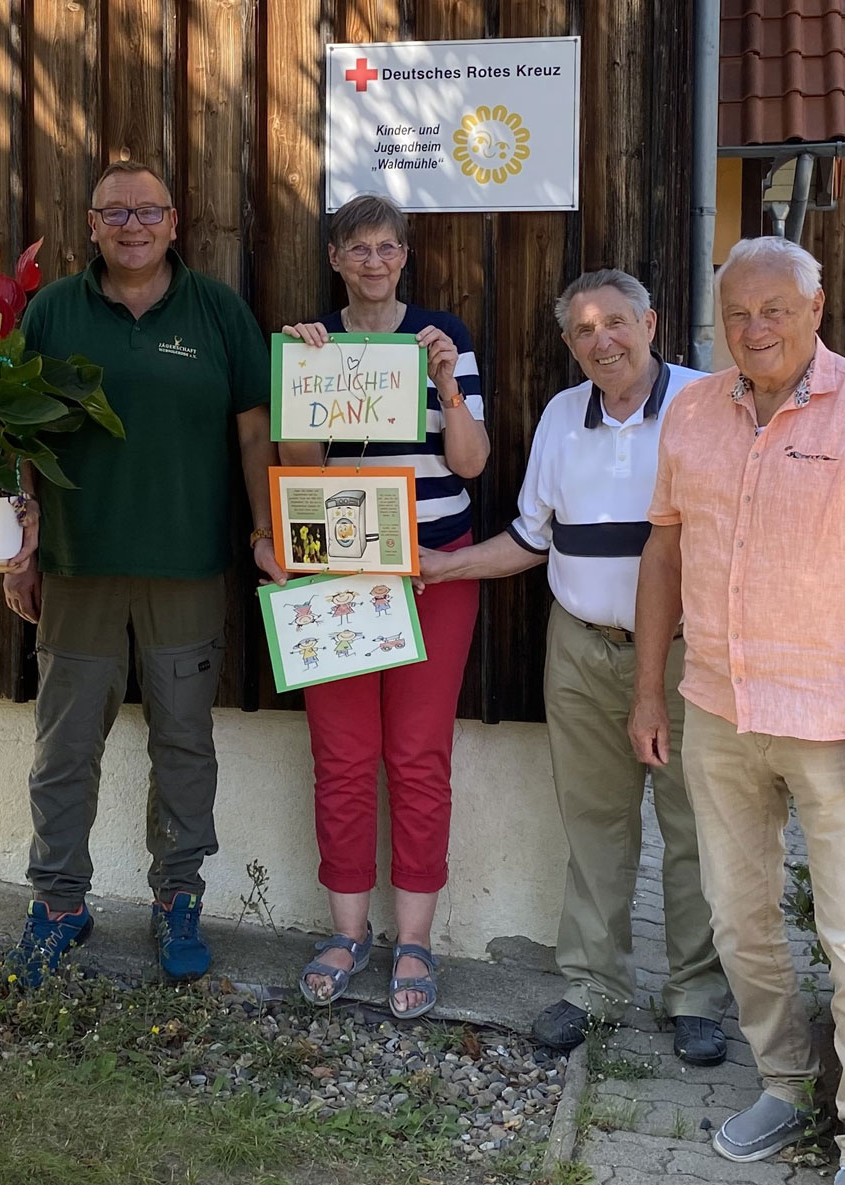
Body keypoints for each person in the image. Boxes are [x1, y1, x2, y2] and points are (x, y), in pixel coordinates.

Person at [630, 236, 845, 1185]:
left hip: (841, 723)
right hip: (720, 709)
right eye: (737, 313)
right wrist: (649, 687)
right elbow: (662, 556)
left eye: (774, 309)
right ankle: (786, 1081)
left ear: (816, 309)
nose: (755, 327)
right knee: (739, 919)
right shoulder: (692, 411)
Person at [421, 269, 731, 1063]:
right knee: (595, 824)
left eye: (616, 323)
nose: (604, 341)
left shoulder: (709, 404)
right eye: (585, 330)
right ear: (569, 344)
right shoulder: (564, 414)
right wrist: (440, 565)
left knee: (696, 826)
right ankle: (595, 985)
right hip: (581, 646)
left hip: (690, 652)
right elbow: (532, 536)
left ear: (651, 323)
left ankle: (696, 992)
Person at [2, 160, 283, 984]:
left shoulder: (217, 310)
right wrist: (23, 538)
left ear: (173, 221)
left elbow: (255, 435)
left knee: (185, 745)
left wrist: (267, 527)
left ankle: (179, 897)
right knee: (63, 748)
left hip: (188, 567)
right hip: (78, 568)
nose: (131, 224)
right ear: (91, 225)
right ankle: (58, 901)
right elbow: (14, 433)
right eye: (114, 211)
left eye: (147, 210)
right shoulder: (52, 311)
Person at [280, 193, 489, 1019]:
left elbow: (471, 464)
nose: (373, 260)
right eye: (358, 247)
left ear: (405, 256)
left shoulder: (444, 338)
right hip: (339, 571)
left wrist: (447, 384)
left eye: (387, 247)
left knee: (416, 756)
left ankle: (415, 940)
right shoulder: (311, 341)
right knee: (341, 753)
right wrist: (302, 377)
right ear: (335, 257)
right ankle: (346, 931)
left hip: (434, 574)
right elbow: (298, 464)